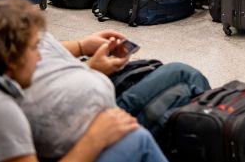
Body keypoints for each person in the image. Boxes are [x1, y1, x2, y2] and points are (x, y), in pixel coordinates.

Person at [0, 0, 167, 162]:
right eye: (34, 49)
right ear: (9, 58)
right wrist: (96, 137)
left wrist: (81, 47)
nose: (40, 59)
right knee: (136, 141)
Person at [23, 27, 208, 158]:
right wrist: (94, 139)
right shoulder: (1, 106)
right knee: (184, 80)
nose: (39, 55)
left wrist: (82, 46)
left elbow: (44, 48)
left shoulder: (7, 37)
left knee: (181, 80)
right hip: (90, 123)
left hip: (95, 96)